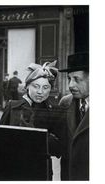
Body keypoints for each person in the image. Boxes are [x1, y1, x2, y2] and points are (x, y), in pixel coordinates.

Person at [0, 61, 65, 180]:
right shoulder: (13, 107)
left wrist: (41, 138)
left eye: (45, 87)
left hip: (41, 170)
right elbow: (0, 139)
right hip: (16, 169)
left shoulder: (53, 111)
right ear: (27, 86)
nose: (40, 92)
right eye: (36, 86)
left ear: (50, 90)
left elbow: (59, 148)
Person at [58, 52, 89, 180]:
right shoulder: (65, 102)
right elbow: (60, 142)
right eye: (69, 79)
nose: (70, 85)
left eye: (76, 79)